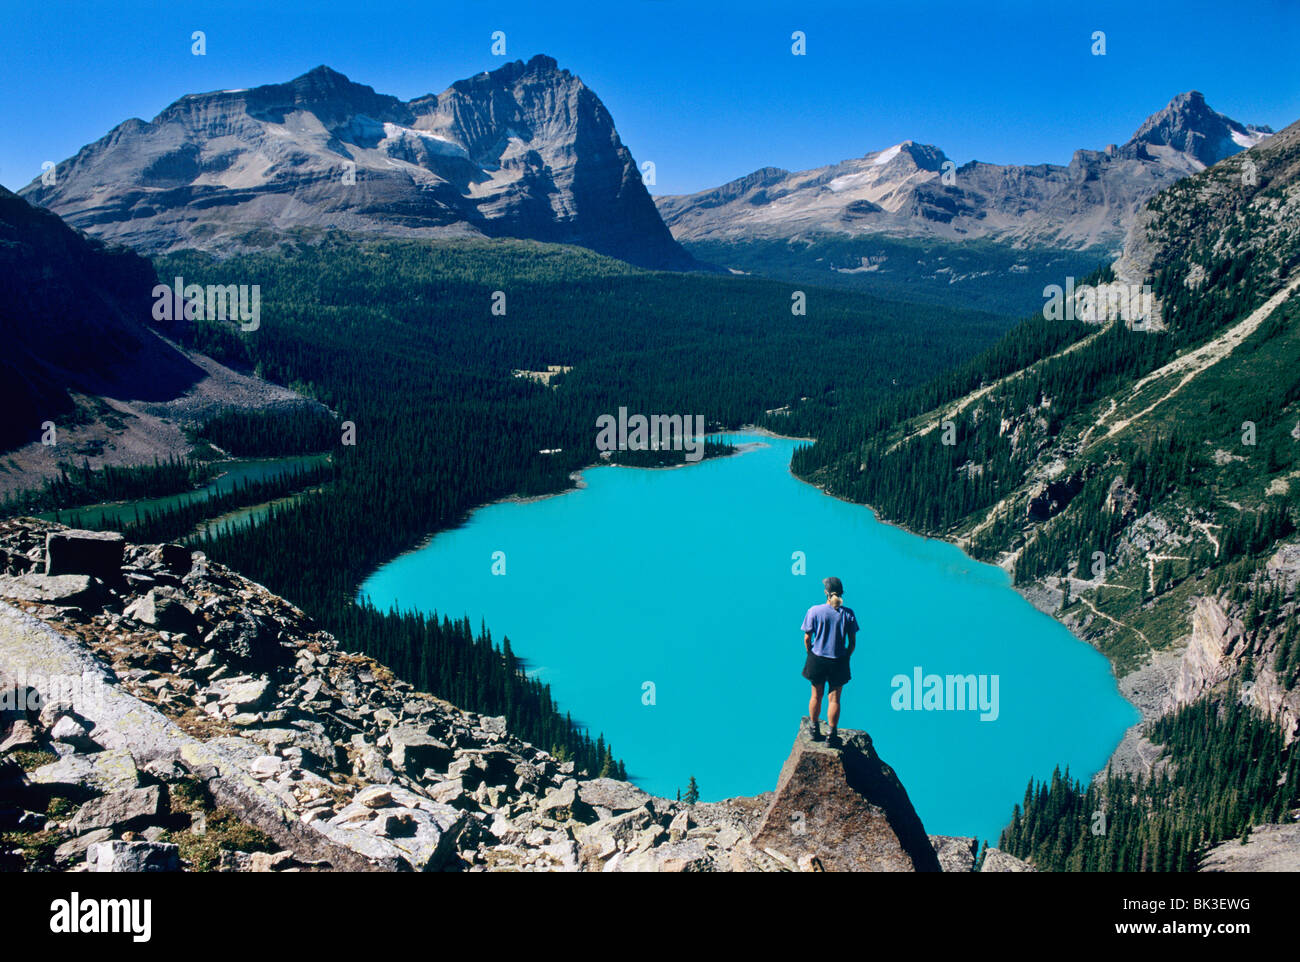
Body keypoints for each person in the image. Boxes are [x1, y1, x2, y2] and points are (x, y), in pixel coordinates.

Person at [800, 576, 858, 748]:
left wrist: (810, 651)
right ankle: (831, 735)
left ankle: (814, 729)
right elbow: (852, 642)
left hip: (817, 658)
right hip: (838, 660)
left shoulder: (814, 611)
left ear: (826, 593)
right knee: (834, 699)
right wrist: (846, 655)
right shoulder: (848, 614)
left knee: (816, 695)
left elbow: (807, 638)